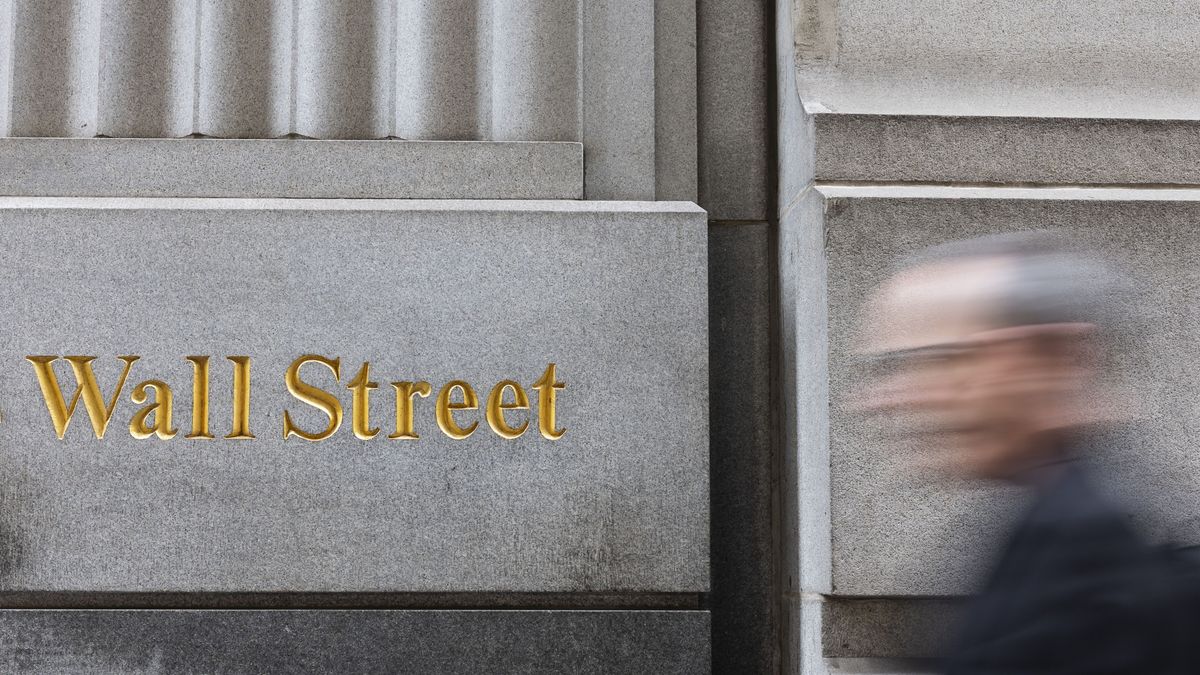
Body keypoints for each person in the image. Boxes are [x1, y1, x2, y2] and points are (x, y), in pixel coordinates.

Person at [854, 231, 1183, 673]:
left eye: (943, 359)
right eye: (892, 367)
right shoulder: (1045, 523)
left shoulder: (1097, 552)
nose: (892, 397)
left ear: (1059, 356)